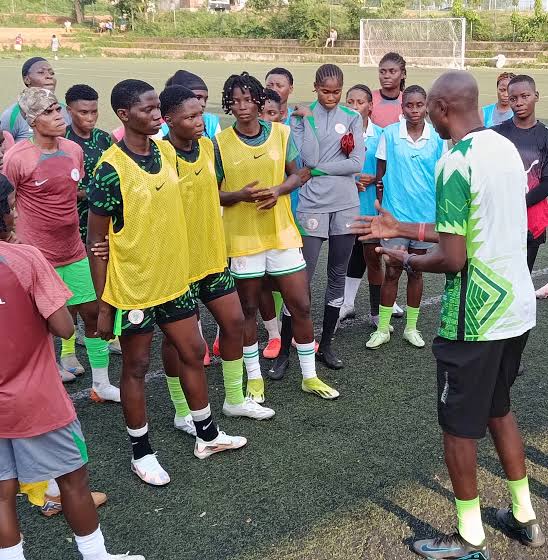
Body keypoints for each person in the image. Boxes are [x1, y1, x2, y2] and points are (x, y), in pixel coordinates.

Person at [352, 70, 544, 559]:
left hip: (474, 318)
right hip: (517, 308)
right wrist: (405, 226)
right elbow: (473, 225)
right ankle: (525, 518)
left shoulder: (454, 162)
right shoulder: (504, 148)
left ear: (440, 108)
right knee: (499, 408)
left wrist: (406, 259)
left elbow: (454, 258)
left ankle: (469, 538)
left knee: (458, 427)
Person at [87, 79, 246, 486]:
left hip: (175, 281)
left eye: (159, 107)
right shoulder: (109, 169)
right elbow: (96, 242)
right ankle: (141, 452)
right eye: (148, 109)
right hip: (135, 288)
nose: (157, 115)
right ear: (124, 115)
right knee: (137, 367)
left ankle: (207, 435)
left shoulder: (165, 152)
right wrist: (104, 305)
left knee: (192, 352)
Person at [0, 180, 145, 560]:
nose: (16, 213)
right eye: (11, 206)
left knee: (2, 494)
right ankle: (97, 556)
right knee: (73, 480)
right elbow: (65, 328)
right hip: (37, 399)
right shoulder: (26, 258)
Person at [215, 71, 338, 400]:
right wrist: (239, 195)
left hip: (282, 234)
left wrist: (279, 190)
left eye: (247, 99)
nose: (242, 106)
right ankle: (254, 379)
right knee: (248, 310)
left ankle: (309, 376)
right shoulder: (220, 143)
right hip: (243, 239)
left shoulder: (281, 134)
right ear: (228, 105)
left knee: (301, 305)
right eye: (235, 101)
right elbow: (212, 193)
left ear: (259, 101)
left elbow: (299, 174)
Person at [158, 84, 275, 428]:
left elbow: (213, 194)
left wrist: (238, 195)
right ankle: (182, 412)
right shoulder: (160, 156)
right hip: (178, 264)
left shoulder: (208, 147)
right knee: (176, 341)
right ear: (169, 120)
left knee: (235, 322)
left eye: (200, 114)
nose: (199, 122)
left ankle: (235, 400)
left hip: (211, 256)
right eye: (190, 117)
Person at [3, 87, 120, 398]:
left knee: (93, 313)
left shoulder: (73, 150)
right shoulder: (17, 158)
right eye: (48, 112)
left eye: (58, 109)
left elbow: (72, 193)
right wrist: (14, 244)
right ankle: (47, 380)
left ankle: (101, 384)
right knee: (39, 324)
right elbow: (7, 204)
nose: (58, 116)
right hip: (37, 256)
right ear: (32, 120)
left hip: (74, 250)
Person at [287, 64, 364, 370]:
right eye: (325, 91)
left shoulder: (353, 117)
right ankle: (285, 352)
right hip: (313, 204)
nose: (331, 97)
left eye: (336, 92)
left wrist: (317, 171)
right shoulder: (300, 116)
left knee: (337, 275)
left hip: (346, 204)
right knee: (300, 278)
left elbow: (356, 163)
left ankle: (327, 345)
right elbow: (309, 157)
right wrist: (309, 121)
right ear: (315, 87)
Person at [367, 85, 445, 350]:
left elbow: (441, 177)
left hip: (424, 218)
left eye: (419, 105)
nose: (414, 110)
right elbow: (380, 174)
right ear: (402, 108)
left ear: (426, 107)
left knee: (416, 272)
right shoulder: (389, 134)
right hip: (395, 218)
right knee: (392, 271)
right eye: (409, 105)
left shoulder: (437, 138)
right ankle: (382, 329)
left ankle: (411, 328)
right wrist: (383, 204)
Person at [63, 84, 118, 374]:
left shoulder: (103, 139)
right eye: (83, 112)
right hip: (71, 227)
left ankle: (106, 332)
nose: (90, 117)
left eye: (94, 111)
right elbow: (61, 188)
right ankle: (68, 349)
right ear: (69, 110)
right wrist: (90, 193)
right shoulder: (62, 142)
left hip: (102, 223)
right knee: (71, 292)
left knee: (105, 278)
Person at [493, 75, 548, 276]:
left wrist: (518, 203)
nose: (519, 102)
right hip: (500, 219)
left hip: (532, 221)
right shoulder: (496, 134)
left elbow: (546, 183)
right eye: (513, 98)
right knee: (498, 277)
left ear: (536, 96)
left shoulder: (545, 136)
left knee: (522, 278)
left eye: (525, 96)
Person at [339, 84, 384, 327]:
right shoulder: (339, 133)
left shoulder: (382, 135)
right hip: (345, 206)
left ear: (370, 106)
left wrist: (376, 178)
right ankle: (346, 304)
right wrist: (351, 179)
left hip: (370, 207)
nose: (355, 107)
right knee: (346, 256)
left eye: (360, 102)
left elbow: (391, 170)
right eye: (350, 102)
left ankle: (377, 312)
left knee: (373, 257)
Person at [1, 57, 71, 143]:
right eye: (41, 72)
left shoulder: (65, 110)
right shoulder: (12, 115)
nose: (49, 76)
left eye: (52, 73)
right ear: (27, 80)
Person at [166, 70, 222, 139]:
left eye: (205, 99)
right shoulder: (161, 127)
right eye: (198, 98)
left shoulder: (211, 122)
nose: (203, 104)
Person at [370, 52, 406, 129]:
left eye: (392, 72)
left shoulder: (408, 100)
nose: (386, 76)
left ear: (403, 74)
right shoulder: (368, 98)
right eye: (382, 72)